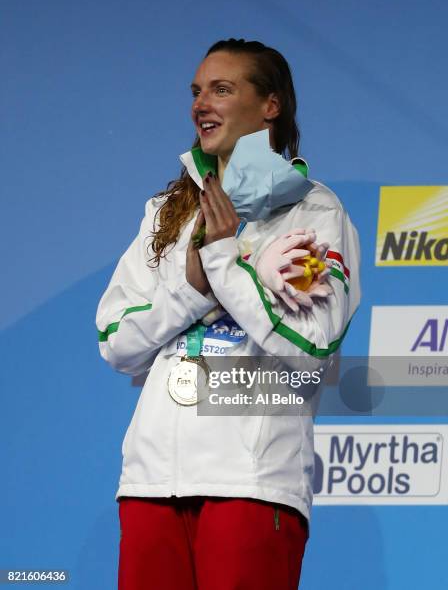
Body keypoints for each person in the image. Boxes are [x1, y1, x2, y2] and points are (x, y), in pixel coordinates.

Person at [96, 38, 361, 590]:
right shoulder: (165, 213)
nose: (201, 103)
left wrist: (222, 261)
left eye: (222, 88)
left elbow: (310, 347)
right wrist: (194, 287)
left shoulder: (312, 210)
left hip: (251, 481)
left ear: (271, 105)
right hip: (151, 482)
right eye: (196, 91)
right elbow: (116, 340)